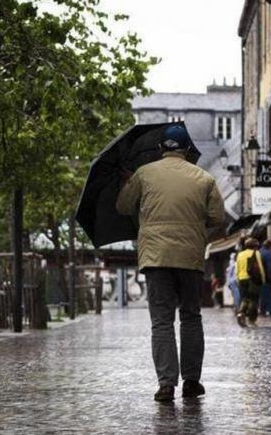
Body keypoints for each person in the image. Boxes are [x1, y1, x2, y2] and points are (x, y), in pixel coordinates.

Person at [115, 124, 226, 402]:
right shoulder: (204, 178)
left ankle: (166, 384)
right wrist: (197, 232)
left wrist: (129, 183)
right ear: (187, 150)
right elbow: (217, 218)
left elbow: (123, 207)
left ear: (161, 149)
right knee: (191, 316)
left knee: (162, 321)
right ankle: (191, 381)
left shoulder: (145, 174)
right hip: (190, 256)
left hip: (156, 257)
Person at [235, 237, 266, 328]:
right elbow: (260, 267)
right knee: (254, 299)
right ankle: (252, 320)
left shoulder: (240, 254)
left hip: (241, 279)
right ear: (255, 246)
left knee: (245, 298)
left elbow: (237, 268)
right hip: (253, 279)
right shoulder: (256, 253)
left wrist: (238, 279)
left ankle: (240, 313)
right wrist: (263, 279)